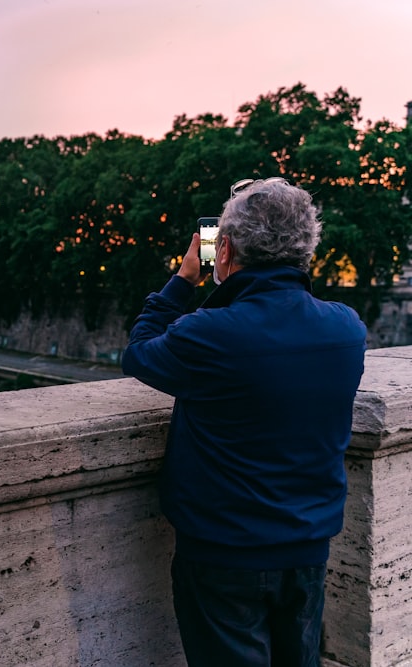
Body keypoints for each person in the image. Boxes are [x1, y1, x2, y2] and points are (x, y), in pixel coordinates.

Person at [121, 178, 366, 666]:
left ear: (224, 247)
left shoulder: (211, 334)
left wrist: (184, 281)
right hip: (308, 549)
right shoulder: (346, 328)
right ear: (306, 249)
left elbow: (139, 353)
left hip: (224, 554)